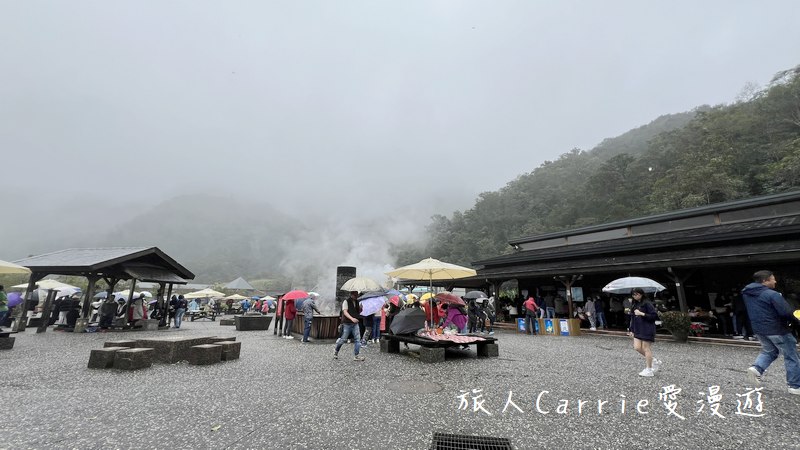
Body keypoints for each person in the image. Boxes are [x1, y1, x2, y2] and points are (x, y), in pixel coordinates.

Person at [742, 270, 800, 395]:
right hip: (778, 329)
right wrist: (796, 320)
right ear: (765, 281)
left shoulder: (747, 294)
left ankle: (756, 368)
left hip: (759, 329)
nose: (775, 281)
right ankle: (795, 386)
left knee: (770, 351)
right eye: (772, 279)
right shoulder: (772, 295)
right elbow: (785, 312)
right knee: (792, 356)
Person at [628, 288, 662, 377]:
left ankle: (649, 370)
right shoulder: (634, 304)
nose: (635, 296)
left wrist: (641, 313)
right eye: (633, 295)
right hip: (637, 329)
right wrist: (631, 329)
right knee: (637, 347)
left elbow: (654, 316)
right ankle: (653, 360)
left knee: (646, 348)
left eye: (637, 294)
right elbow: (632, 318)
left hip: (647, 328)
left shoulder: (647, 303)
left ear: (641, 294)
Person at [334, 291, 365, 361]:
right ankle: (336, 351)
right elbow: (345, 312)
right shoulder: (346, 301)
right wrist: (352, 318)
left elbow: (357, 312)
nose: (356, 296)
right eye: (355, 295)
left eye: (357, 295)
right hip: (347, 323)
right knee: (343, 339)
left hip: (355, 323)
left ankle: (356, 356)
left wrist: (360, 309)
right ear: (351, 295)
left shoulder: (357, 302)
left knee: (357, 339)